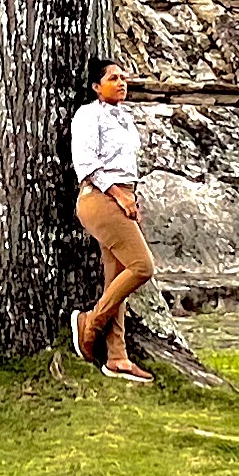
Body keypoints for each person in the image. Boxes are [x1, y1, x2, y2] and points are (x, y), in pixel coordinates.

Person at [68, 58, 152, 375]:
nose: (121, 82)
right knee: (142, 267)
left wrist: (129, 197)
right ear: (95, 86)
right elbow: (86, 164)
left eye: (123, 78)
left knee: (116, 279)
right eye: (113, 78)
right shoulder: (88, 115)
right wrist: (119, 195)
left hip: (122, 198)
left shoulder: (125, 119)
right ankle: (90, 323)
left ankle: (117, 357)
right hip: (101, 198)